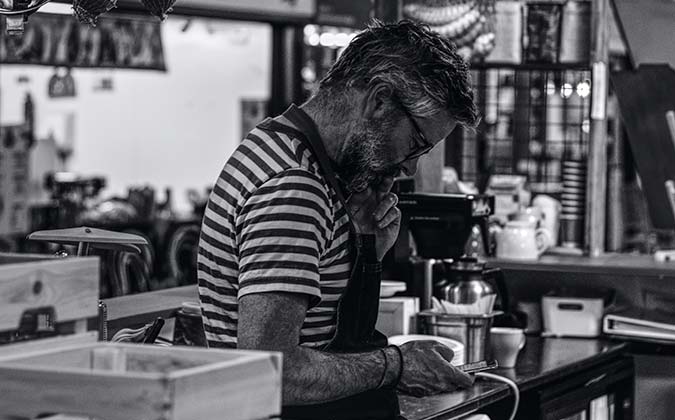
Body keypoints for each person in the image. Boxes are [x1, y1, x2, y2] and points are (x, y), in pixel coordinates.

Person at [197, 19, 480, 418]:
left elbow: (322, 329)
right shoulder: (294, 187)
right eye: (416, 145)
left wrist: (364, 249)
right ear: (379, 101)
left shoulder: (279, 146)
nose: (412, 169)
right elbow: (273, 371)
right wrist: (395, 365)